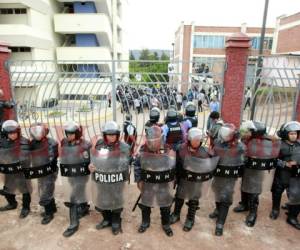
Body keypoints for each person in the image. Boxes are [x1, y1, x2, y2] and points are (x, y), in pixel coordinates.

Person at [233, 120, 280, 227]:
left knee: (253, 190)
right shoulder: (247, 139)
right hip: (246, 167)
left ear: (256, 132)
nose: (245, 133)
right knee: (244, 186)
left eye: (248, 131)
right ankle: (244, 204)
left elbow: (271, 155)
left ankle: (253, 212)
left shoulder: (267, 142)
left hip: (257, 170)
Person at [170, 128, 219, 231]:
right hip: (183, 178)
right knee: (179, 197)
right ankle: (176, 214)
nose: (197, 142)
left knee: (193, 200)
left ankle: (190, 219)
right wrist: (175, 177)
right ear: (189, 139)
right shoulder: (181, 149)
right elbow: (176, 164)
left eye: (198, 140)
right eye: (194, 140)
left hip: (196, 181)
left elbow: (212, 165)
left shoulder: (205, 152)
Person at [89, 121, 131, 235]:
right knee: (102, 198)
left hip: (116, 179)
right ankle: (107, 219)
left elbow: (125, 163)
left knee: (116, 199)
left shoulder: (124, 147)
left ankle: (116, 221)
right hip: (102, 177)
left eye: (113, 135)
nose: (111, 137)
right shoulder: (99, 144)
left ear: (117, 135)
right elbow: (94, 159)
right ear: (104, 134)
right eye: (109, 134)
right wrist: (91, 165)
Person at [134, 126, 176, 237]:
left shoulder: (167, 149)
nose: (152, 144)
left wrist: (172, 180)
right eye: (150, 141)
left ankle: (166, 224)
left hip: (163, 182)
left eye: (155, 141)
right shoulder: (143, 150)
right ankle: (145, 222)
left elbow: (173, 166)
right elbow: (137, 165)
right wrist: (138, 180)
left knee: (165, 205)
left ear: (161, 138)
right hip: (148, 182)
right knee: (146, 203)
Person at [209, 123, 245, 236]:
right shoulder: (217, 143)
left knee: (225, 197)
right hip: (218, 174)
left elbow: (244, 160)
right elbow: (213, 156)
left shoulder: (240, 147)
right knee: (217, 192)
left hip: (230, 176)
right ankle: (218, 210)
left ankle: (220, 223)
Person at [59, 121, 91, 237]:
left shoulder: (86, 145)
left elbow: (91, 160)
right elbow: (63, 154)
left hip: (82, 174)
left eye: (72, 134)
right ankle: (84, 208)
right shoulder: (64, 142)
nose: (69, 136)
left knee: (72, 197)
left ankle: (73, 224)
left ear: (78, 133)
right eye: (67, 133)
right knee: (78, 191)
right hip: (70, 172)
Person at [269, 121, 300, 230]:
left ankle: (292, 217)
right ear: (286, 134)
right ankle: (275, 209)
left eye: (296, 133)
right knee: (277, 192)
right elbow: (272, 159)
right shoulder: (279, 145)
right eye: (291, 133)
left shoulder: (299, 145)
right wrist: (284, 164)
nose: (294, 136)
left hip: (295, 176)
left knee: (296, 195)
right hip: (282, 174)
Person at [26, 123, 58, 224]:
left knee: (46, 192)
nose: (38, 135)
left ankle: (49, 214)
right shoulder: (32, 143)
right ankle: (52, 208)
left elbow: (51, 156)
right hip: (39, 171)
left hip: (49, 171)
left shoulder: (51, 143)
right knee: (45, 189)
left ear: (45, 132)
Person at [0, 120, 32, 218]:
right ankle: (12, 204)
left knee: (25, 190)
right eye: (10, 133)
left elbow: (28, 156)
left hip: (22, 171)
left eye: (14, 132)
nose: (13, 135)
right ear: (5, 133)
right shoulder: (2, 142)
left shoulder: (25, 142)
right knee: (7, 189)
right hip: (8, 170)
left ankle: (26, 207)